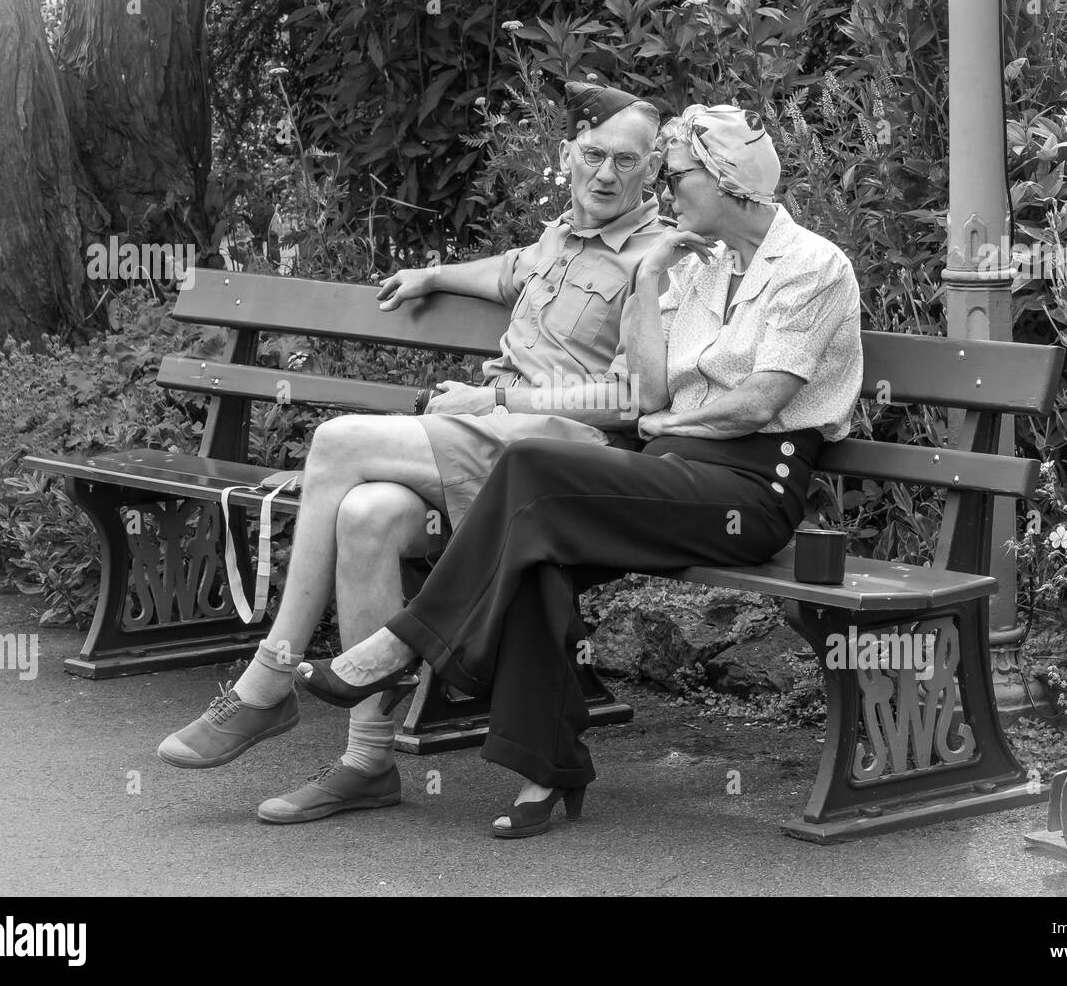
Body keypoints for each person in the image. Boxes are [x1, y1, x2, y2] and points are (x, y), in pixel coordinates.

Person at [296, 104, 864, 837]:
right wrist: (655, 279)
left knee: (531, 466)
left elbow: (758, 404)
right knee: (537, 546)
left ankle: (404, 641)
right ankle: (548, 767)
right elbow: (650, 392)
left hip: (748, 490)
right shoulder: (697, 263)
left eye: (678, 172)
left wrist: (663, 425)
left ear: (728, 182)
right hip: (670, 472)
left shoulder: (812, 265)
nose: (667, 184)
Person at [156, 81, 668, 824]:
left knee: (336, 440)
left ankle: (269, 679)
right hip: (485, 442)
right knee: (366, 514)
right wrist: (432, 275)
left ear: (653, 170)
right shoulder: (561, 238)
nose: (608, 173)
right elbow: (505, 271)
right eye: (594, 154)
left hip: (552, 457)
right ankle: (367, 761)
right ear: (568, 155)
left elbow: (630, 401)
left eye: (628, 160)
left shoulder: (658, 258)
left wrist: (493, 400)